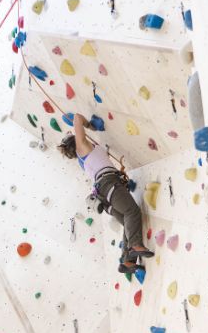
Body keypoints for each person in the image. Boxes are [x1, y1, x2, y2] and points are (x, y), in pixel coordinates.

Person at [57, 113, 154, 273]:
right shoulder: (82, 148)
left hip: (104, 191)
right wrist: (89, 126)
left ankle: (127, 262)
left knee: (127, 221)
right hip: (108, 184)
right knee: (132, 211)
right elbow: (76, 118)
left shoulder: (85, 158)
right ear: (76, 141)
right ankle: (135, 246)